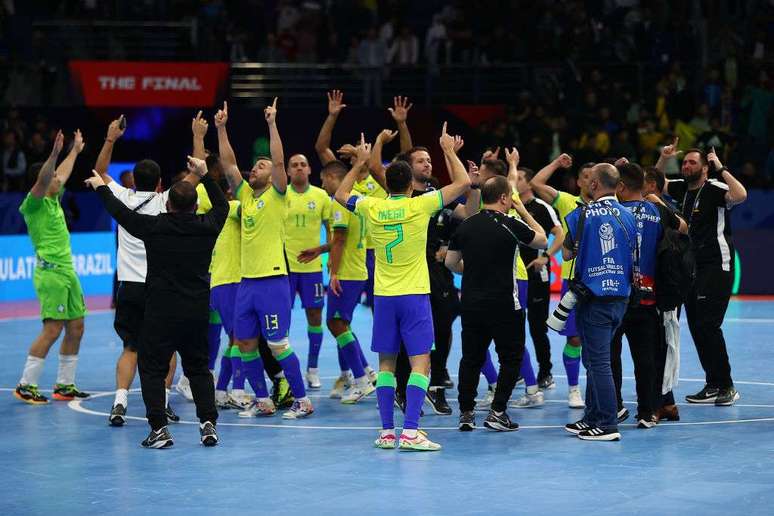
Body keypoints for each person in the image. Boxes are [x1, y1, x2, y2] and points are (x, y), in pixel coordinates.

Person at [334, 123, 470, 451]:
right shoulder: (420, 205)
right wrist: (449, 150)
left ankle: (385, 432)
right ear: (411, 184)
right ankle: (410, 431)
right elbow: (464, 183)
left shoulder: (372, 205)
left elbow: (340, 194)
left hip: (384, 297)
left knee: (386, 365)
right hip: (413, 296)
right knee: (421, 363)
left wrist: (358, 164)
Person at [86, 155, 227, 449]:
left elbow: (120, 213)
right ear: (195, 206)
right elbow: (223, 205)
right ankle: (207, 425)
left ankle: (159, 430)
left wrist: (101, 187)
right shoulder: (208, 225)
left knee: (151, 368)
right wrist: (205, 175)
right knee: (199, 369)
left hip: (161, 311)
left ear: (168, 204)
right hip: (196, 311)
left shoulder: (155, 227)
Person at [217, 99, 314, 419]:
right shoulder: (245, 195)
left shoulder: (278, 195)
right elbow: (229, 165)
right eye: (255, 166)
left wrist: (272, 124)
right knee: (244, 343)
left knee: (277, 345)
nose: (255, 168)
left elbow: (278, 159)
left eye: (262, 166)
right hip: (246, 282)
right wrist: (220, 129)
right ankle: (263, 400)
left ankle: (302, 399)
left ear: (274, 175)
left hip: (273, 281)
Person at [94, 115, 184, 426]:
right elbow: (194, 183)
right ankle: (164, 403)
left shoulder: (121, 198)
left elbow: (100, 172)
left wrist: (110, 139)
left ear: (132, 179)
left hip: (128, 287)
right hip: (159, 288)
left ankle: (119, 402)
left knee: (131, 346)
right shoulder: (164, 202)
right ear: (160, 183)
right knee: (167, 348)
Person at [446, 175, 548, 431]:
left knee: (471, 358)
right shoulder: (511, 224)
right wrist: (523, 209)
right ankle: (498, 411)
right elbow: (542, 239)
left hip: (471, 303)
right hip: (505, 304)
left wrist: (468, 271)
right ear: (505, 198)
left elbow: (449, 262)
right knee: (511, 358)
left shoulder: (466, 225)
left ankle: (466, 413)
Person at [660, 141, 747, 406]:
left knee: (709, 325)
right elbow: (653, 184)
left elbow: (741, 194)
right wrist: (664, 159)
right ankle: (713, 383)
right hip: (691, 268)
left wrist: (720, 166)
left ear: (705, 168)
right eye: (684, 162)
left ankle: (727, 385)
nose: (686, 166)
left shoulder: (716, 188)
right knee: (698, 328)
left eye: (692, 162)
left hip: (716, 266)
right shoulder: (683, 189)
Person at [15, 130, 90, 405]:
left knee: (77, 327)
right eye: (54, 177)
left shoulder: (54, 199)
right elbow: (48, 176)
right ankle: (26, 384)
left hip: (68, 273)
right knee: (52, 329)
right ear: (44, 181)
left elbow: (62, 173)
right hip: (51, 274)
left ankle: (65, 385)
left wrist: (74, 151)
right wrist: (55, 153)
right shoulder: (33, 205)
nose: (59, 179)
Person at [563, 163, 636, 442]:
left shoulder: (583, 214)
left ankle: (606, 424)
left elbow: (568, 254)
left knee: (599, 362)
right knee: (595, 360)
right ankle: (592, 417)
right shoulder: (629, 215)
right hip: (621, 297)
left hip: (593, 298)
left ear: (593, 185)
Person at [611, 162, 687, 428]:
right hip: (648, 296)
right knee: (646, 358)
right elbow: (684, 228)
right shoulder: (656, 210)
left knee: (611, 356)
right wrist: (654, 200)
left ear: (620, 187)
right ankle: (647, 412)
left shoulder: (613, 212)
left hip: (617, 296)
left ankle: (614, 408)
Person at [531, 155, 594, 408]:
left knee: (600, 339)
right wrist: (557, 164)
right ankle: (573, 389)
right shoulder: (568, 202)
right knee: (575, 338)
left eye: (595, 178)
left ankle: (599, 388)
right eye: (586, 177)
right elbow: (536, 182)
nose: (591, 182)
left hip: (601, 279)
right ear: (578, 182)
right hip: (573, 279)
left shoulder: (610, 204)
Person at [318, 159, 375, 404]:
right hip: (358, 268)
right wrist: (319, 249)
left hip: (348, 273)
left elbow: (340, 238)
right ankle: (366, 371)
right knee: (341, 323)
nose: (323, 185)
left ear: (332, 177)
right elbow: (342, 239)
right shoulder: (357, 198)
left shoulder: (339, 204)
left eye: (323, 180)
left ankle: (361, 380)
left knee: (336, 323)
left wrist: (334, 274)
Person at [510, 165, 565, 407]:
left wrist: (547, 256)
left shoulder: (541, 208)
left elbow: (560, 233)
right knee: (514, 325)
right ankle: (520, 370)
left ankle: (545, 373)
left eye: (520, 178)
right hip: (513, 274)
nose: (517, 181)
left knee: (536, 326)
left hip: (537, 274)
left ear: (529, 183)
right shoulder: (511, 207)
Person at [283, 152, 331, 390]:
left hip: (312, 269)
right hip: (283, 267)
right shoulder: (280, 195)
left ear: (310, 170)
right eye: (295, 165)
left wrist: (325, 252)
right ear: (288, 171)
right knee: (282, 320)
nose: (299, 168)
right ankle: (285, 373)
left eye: (303, 164)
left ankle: (312, 369)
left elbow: (333, 230)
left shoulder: (321, 196)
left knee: (315, 317)